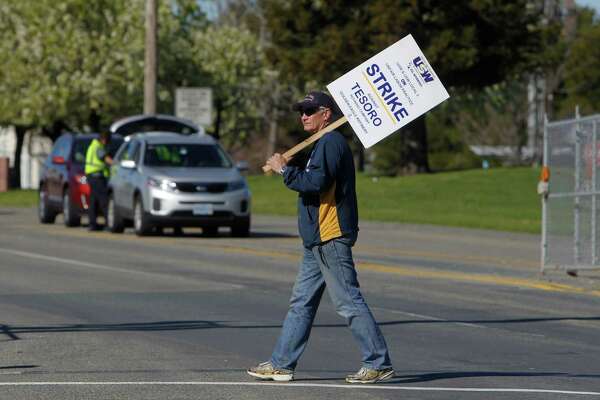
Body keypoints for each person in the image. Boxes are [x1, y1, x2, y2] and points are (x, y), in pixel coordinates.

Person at [247, 91, 393, 384]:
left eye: (310, 110)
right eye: (302, 110)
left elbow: (315, 183)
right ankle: (281, 364)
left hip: (330, 234)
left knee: (348, 301)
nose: (304, 115)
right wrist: (290, 168)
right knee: (301, 302)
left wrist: (284, 170)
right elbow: (313, 177)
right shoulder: (321, 144)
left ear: (327, 114)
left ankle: (378, 362)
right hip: (316, 238)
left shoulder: (330, 142)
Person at [85, 131, 113, 231]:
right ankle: (108, 224)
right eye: (108, 141)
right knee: (104, 201)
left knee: (93, 201)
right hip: (97, 177)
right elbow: (106, 159)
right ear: (104, 139)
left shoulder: (93, 146)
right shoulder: (98, 147)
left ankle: (92, 224)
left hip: (91, 176)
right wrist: (116, 163)